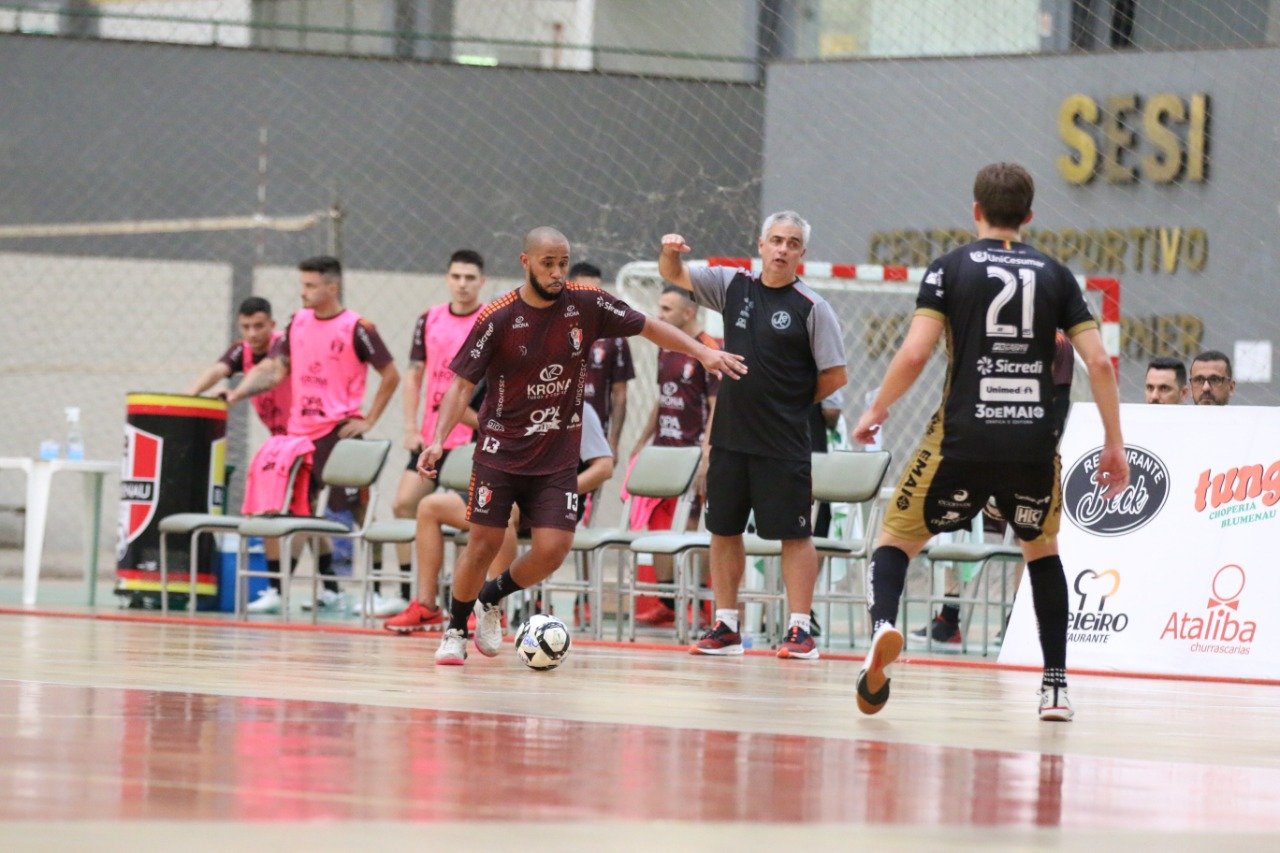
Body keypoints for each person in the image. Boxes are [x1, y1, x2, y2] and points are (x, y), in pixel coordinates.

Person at [852, 163, 1129, 722]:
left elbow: (913, 354)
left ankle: (883, 626)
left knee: (896, 539)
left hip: (962, 437)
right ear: (1029, 216)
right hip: (1031, 440)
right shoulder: (1056, 275)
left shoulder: (949, 269)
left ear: (974, 209)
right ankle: (1054, 688)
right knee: (1042, 552)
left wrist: (877, 409)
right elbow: (1097, 360)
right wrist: (1113, 443)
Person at [420, 226, 745, 665]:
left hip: (556, 457)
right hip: (501, 452)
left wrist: (703, 353)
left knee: (553, 550)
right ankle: (456, 630)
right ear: (526, 262)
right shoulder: (497, 317)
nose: (556, 273)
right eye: (547, 264)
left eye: (562, 264)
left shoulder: (586, 305)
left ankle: (492, 597)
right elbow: (460, 385)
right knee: (484, 542)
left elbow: (651, 327)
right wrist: (437, 441)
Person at [660, 211, 848, 661]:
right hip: (730, 436)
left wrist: (791, 399)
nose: (783, 249)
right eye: (776, 240)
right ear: (761, 245)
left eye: (793, 243)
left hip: (783, 441)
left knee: (794, 534)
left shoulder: (813, 307)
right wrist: (669, 252)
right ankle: (726, 625)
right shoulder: (732, 285)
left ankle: (800, 631)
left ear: (802, 253)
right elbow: (675, 274)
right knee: (723, 529)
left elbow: (836, 376)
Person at [225, 256, 400, 614]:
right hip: (298, 436)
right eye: (302, 284)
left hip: (339, 435)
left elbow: (391, 374)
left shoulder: (358, 327)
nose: (302, 292)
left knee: (361, 510)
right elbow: (275, 370)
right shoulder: (296, 322)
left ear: (331, 287)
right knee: (287, 511)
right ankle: (281, 588)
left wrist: (368, 420)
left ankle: (377, 591)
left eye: (309, 285)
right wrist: (237, 393)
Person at [385, 401, 614, 632]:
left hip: (551, 502)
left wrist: (559, 492)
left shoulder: (578, 409)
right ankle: (427, 607)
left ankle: (493, 610)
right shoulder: (512, 401)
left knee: (504, 509)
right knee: (429, 507)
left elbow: (604, 467)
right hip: (507, 490)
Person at [365, 249, 487, 619]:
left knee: (476, 519)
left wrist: (478, 422)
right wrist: (410, 427)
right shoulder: (428, 319)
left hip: (470, 436)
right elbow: (414, 374)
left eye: (470, 278)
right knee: (404, 503)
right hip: (432, 436)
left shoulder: (490, 320)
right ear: (447, 279)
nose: (462, 284)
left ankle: (474, 596)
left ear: (481, 281)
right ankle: (410, 592)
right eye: (456, 277)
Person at [628, 285, 720, 627]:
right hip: (664, 451)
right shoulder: (665, 348)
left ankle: (701, 602)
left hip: (693, 451)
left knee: (695, 526)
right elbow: (662, 397)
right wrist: (642, 439)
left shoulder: (709, 351)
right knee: (657, 525)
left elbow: (716, 406)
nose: (660, 314)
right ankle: (667, 601)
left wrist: (706, 455)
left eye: (667, 309)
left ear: (688, 313)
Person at [188, 296, 291, 436]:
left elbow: (266, 371)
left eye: (258, 326)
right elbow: (218, 370)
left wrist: (235, 394)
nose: (252, 334)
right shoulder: (242, 349)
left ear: (272, 325)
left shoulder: (283, 343)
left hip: (306, 429)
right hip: (280, 434)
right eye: (246, 327)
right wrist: (187, 397)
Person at [571, 261, 635, 457]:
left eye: (596, 291)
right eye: (584, 291)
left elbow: (620, 394)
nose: (592, 297)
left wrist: (613, 441)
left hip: (596, 435)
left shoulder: (615, 337)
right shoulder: (551, 328)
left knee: (588, 484)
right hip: (554, 432)